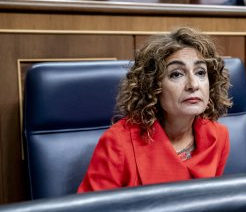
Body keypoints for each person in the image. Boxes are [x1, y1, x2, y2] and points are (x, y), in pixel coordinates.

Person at [78, 27, 233, 193]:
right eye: (176, 74)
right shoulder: (118, 143)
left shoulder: (218, 136)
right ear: (153, 86)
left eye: (200, 72)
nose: (193, 85)